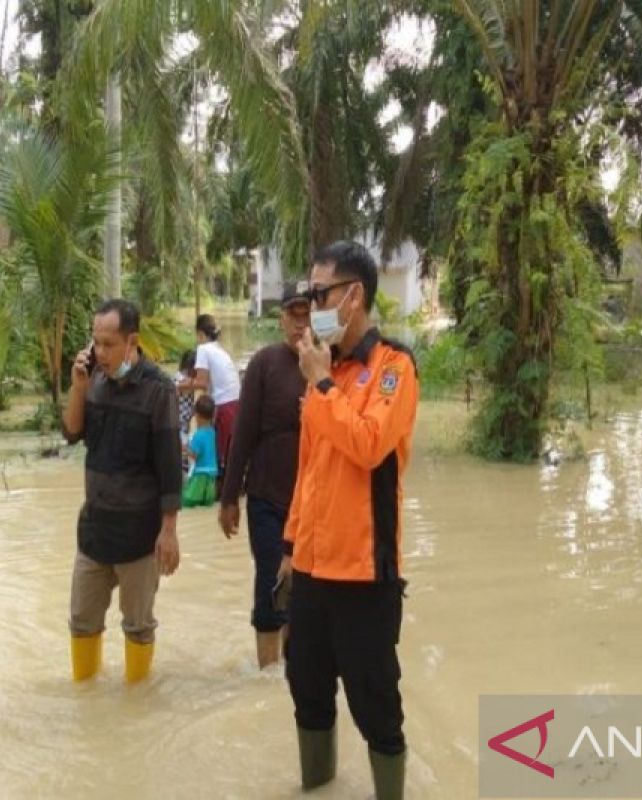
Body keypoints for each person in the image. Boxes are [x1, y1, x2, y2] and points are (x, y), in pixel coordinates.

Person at [277, 242, 419, 799]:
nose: (312, 306)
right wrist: (290, 547)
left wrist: (322, 385)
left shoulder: (395, 369)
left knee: (377, 709)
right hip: (311, 574)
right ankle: (317, 788)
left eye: (320, 294)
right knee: (307, 696)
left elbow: (367, 445)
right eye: (309, 296)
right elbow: (310, 472)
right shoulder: (325, 373)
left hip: (364, 578)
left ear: (353, 295)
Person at [62, 299, 182, 685]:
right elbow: (71, 432)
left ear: (132, 341)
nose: (100, 352)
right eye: (96, 343)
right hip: (94, 530)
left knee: (138, 626)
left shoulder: (158, 390)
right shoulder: (93, 380)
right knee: (81, 621)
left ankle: (137, 704)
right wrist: (78, 388)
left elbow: (168, 464)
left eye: (109, 344)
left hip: (139, 536)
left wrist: (169, 530)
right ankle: (86, 697)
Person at [218, 283, 311, 668]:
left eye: (307, 315)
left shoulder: (328, 364)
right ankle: (268, 672)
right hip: (266, 498)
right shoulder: (264, 363)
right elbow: (242, 435)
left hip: (312, 504)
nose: (299, 324)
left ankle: (296, 669)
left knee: (306, 589)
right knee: (272, 579)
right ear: (281, 319)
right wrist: (228, 497)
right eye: (293, 315)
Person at [179, 314, 241, 484]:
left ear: (200, 333)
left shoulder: (204, 349)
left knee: (220, 451)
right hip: (235, 400)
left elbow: (202, 382)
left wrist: (181, 386)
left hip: (224, 402)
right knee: (227, 448)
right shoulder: (219, 349)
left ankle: (219, 486)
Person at [182, 395, 218, 508]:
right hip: (212, 473)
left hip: (201, 473)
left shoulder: (198, 435)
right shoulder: (212, 432)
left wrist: (184, 449)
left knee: (187, 500)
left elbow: (194, 455)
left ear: (197, 415)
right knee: (207, 504)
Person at [174, 350, 197, 472]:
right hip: (181, 422)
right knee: (185, 450)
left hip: (185, 422)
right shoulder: (182, 379)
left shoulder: (179, 377)